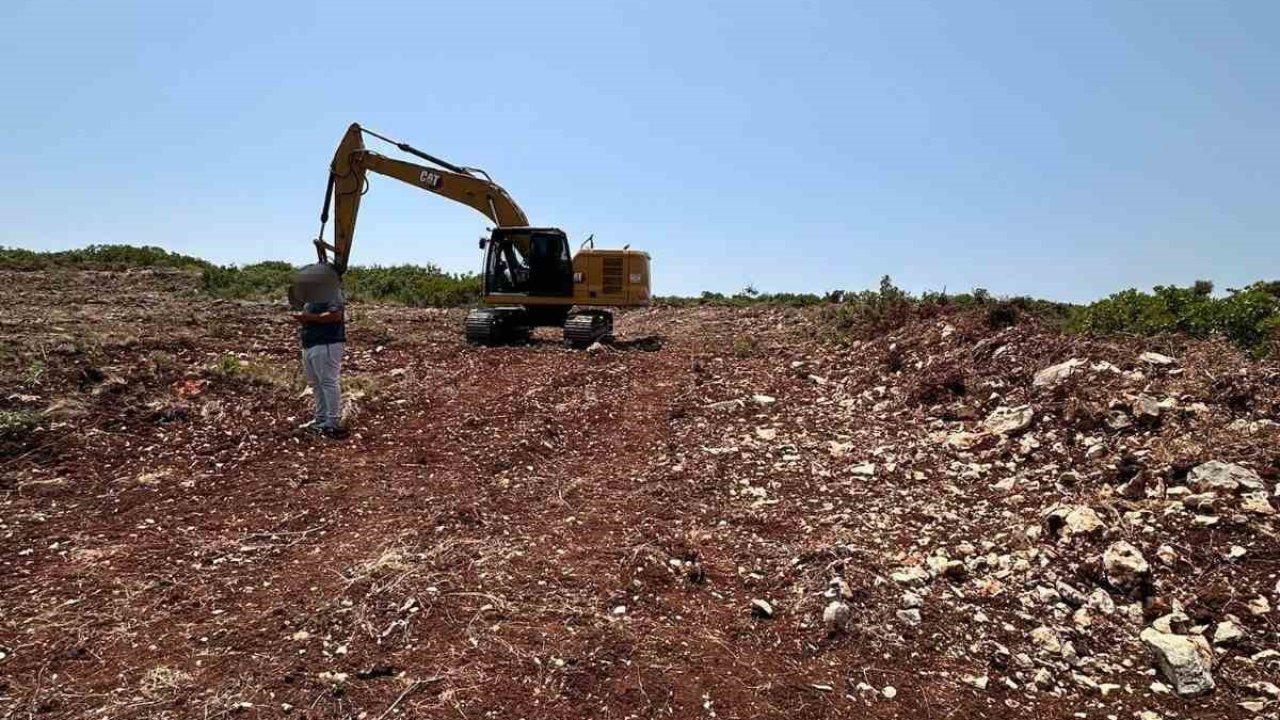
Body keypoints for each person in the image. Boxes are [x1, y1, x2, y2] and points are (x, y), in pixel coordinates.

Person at [290, 265, 348, 439]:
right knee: (316, 383)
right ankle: (321, 417)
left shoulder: (332, 292)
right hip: (312, 343)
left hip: (327, 342)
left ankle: (332, 421)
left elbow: (335, 315)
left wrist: (308, 318)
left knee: (328, 382)